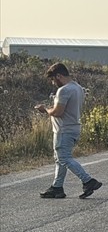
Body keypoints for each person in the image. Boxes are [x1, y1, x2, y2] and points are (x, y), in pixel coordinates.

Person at [37, 63, 103, 199]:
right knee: (59, 159)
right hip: (73, 127)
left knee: (64, 158)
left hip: (64, 129)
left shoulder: (64, 90)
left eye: (53, 79)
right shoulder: (78, 88)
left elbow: (58, 112)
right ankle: (57, 187)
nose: (53, 82)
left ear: (59, 76)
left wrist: (45, 110)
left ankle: (88, 181)